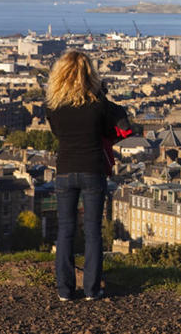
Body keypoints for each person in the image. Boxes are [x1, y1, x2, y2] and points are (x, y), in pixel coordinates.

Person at [45, 50, 127, 301]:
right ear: (90, 75)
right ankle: (92, 289)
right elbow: (122, 122)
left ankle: (65, 290)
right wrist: (100, 94)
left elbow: (58, 133)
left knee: (65, 231)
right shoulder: (99, 104)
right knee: (93, 232)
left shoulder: (53, 107)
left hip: (65, 170)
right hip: (93, 170)